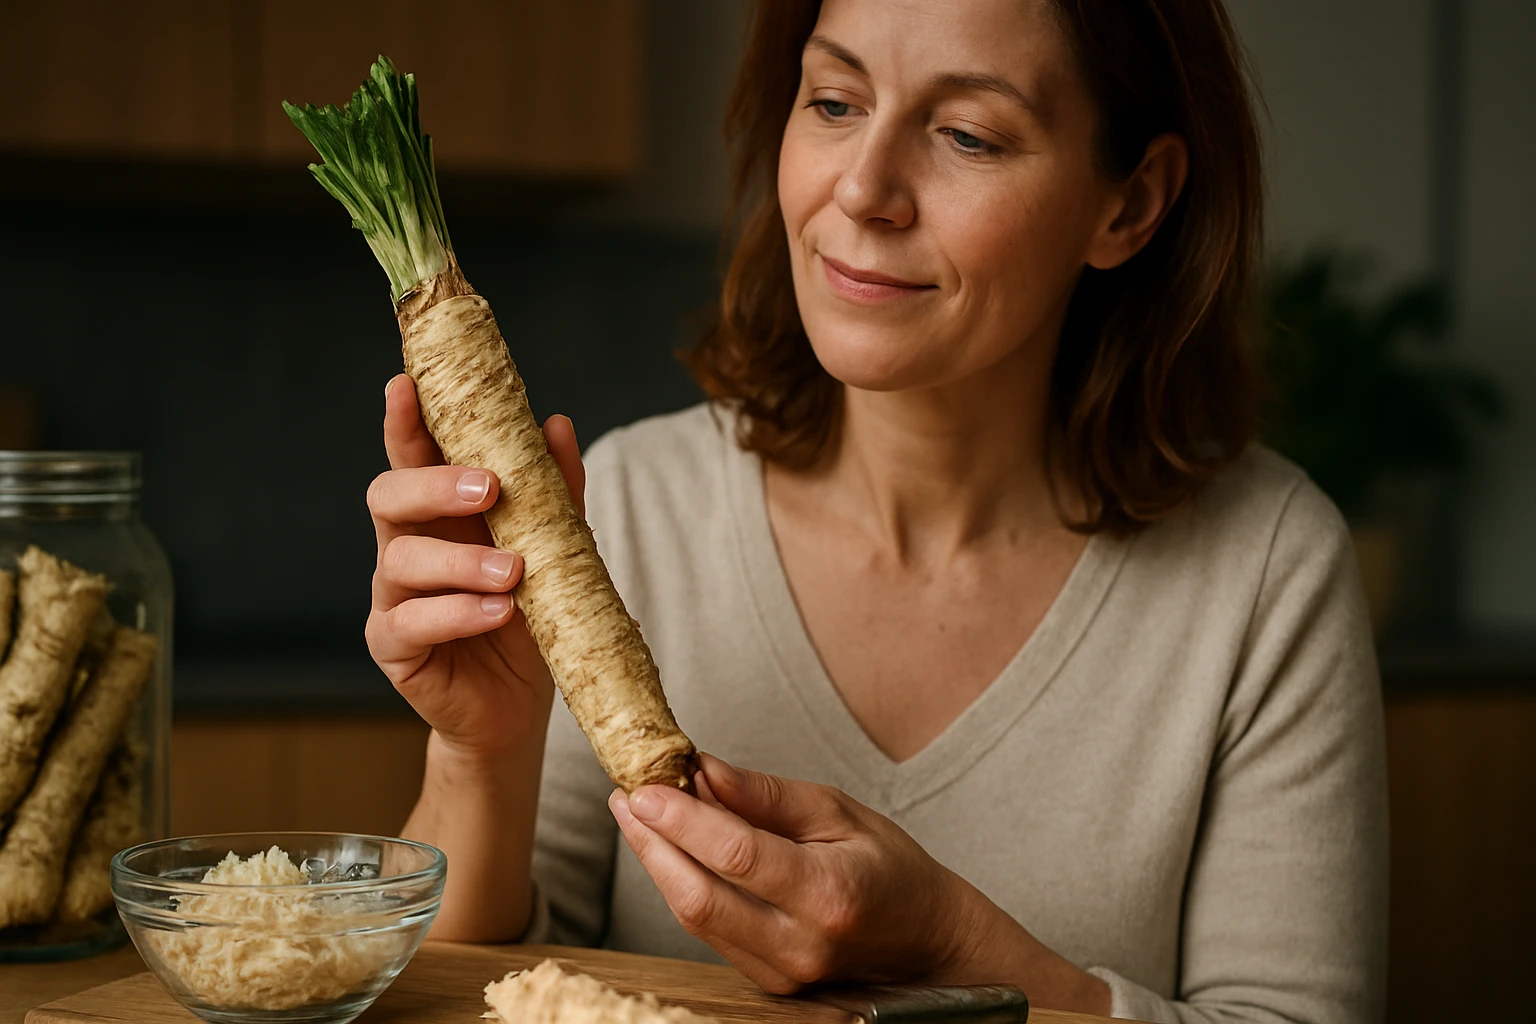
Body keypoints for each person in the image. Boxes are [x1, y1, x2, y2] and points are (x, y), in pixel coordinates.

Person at [365, 1, 1388, 1020]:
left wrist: (953, 946)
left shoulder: (1267, 571)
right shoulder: (629, 510)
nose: (862, 189)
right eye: (836, 101)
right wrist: (483, 755)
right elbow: (491, 990)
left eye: (969, 135)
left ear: (1129, 204)